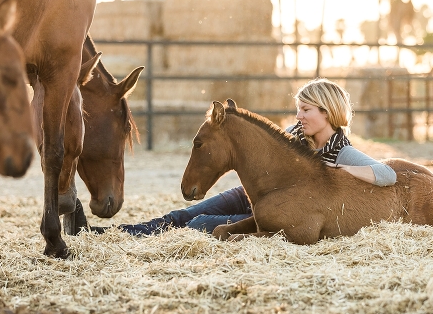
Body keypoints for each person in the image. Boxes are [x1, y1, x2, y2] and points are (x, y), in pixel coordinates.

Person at [77, 78, 397, 236]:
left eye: (306, 110)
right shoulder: (292, 136)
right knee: (180, 215)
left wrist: (341, 170)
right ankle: (111, 235)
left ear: (328, 113)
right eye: (298, 108)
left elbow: (386, 175)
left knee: (200, 223)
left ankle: (149, 242)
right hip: (247, 196)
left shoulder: (343, 151)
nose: (298, 116)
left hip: (280, 211)